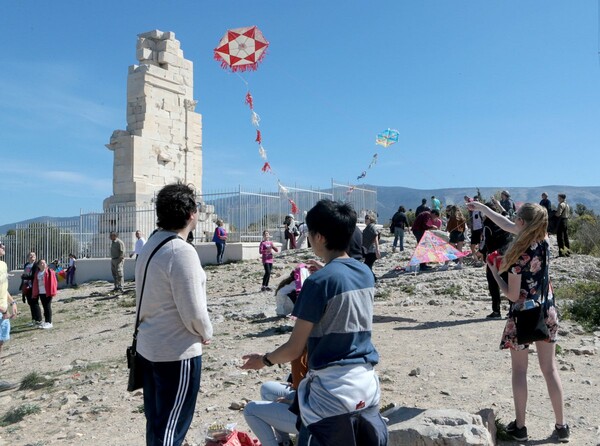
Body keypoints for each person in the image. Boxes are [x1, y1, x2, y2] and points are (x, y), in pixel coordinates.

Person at [241, 199, 387, 446]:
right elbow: (342, 285)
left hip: (331, 393)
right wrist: (328, 268)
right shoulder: (364, 274)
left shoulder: (317, 283)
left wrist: (263, 360)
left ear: (318, 237)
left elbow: (294, 348)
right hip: (366, 385)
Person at [468, 201, 569, 443]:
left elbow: (513, 295)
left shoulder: (518, 257)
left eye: (516, 219)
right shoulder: (543, 240)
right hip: (547, 311)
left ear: (522, 223)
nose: (513, 222)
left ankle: (520, 428)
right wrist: (483, 208)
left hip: (523, 316)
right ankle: (562, 426)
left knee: (520, 371)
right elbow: (504, 222)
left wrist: (494, 272)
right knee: (550, 369)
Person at [135, 183, 213, 446]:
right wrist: (206, 332)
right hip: (175, 351)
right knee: (171, 428)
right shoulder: (181, 251)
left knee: (157, 423)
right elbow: (192, 309)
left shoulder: (152, 243)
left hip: (149, 345)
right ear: (192, 213)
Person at [244, 350, 308, 446]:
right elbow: (289, 351)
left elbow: (292, 348)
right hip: (310, 398)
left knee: (250, 410)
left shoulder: (304, 344)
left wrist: (291, 401)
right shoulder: (321, 342)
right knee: (267, 389)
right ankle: (285, 442)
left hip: (315, 417)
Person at [478, 202, 512, 318]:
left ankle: (496, 310)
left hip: (494, 256)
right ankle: (513, 309)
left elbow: (485, 241)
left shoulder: (487, 224)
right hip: (508, 254)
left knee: (493, 282)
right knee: (509, 281)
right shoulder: (503, 219)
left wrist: (481, 252)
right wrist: (499, 204)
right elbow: (507, 213)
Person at [1, 242, 19, 357]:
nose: (3, 246)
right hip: (2, 310)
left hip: (4, 309)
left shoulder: (3, 264)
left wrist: (12, 302)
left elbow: (3, 287)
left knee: (1, 341)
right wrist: (3, 310)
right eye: (0, 245)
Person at [32, 259, 57, 329]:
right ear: (38, 265)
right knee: (44, 307)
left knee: (47, 306)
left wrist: (53, 291)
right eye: (42, 263)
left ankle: (49, 322)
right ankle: (46, 321)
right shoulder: (38, 273)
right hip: (41, 292)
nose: (44, 264)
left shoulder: (49, 271)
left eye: (44, 263)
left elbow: (53, 282)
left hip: (48, 292)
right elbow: (35, 283)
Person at [20, 251, 42, 326]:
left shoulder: (36, 265)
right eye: (30, 255)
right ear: (27, 257)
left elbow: (34, 276)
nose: (32, 256)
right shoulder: (26, 265)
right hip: (26, 286)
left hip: (33, 286)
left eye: (34, 255)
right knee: (30, 303)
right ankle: (33, 319)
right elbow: (25, 274)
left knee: (35, 303)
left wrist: (25, 277)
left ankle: (39, 320)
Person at [445, 205, 466, 269]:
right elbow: (464, 228)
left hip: (454, 234)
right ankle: (460, 264)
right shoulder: (462, 218)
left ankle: (445, 265)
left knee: (449, 250)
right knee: (460, 250)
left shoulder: (452, 217)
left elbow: (449, 228)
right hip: (461, 234)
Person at [362, 212, 380, 281]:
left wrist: (377, 250)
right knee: (367, 265)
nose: (365, 219)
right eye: (365, 218)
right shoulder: (368, 227)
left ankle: (373, 278)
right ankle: (372, 278)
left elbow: (375, 238)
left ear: (371, 219)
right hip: (368, 250)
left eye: (367, 218)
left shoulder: (372, 227)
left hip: (372, 250)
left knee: (367, 265)